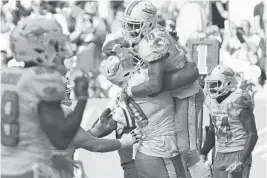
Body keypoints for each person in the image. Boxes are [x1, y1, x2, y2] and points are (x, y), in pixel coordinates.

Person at [102, 0, 210, 177]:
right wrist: (120, 50)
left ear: (147, 24)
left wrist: (131, 91)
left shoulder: (151, 44)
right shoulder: (139, 39)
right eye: (128, 24)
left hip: (185, 93)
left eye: (133, 25)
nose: (129, 29)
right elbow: (107, 47)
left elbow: (155, 85)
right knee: (176, 146)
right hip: (169, 95)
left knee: (185, 147)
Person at [1, 17, 89, 178]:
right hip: (28, 170)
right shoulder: (42, 81)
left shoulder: (5, 74)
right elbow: (61, 139)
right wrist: (82, 98)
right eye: (53, 44)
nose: (58, 50)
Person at [102, 55, 185, 178]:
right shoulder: (139, 81)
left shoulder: (128, 90)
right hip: (161, 153)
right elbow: (183, 76)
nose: (135, 62)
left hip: (149, 152)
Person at [201, 65, 258, 178]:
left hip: (238, 152)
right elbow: (212, 132)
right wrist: (203, 153)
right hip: (220, 153)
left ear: (227, 83)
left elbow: (253, 134)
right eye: (209, 84)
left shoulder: (238, 100)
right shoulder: (212, 102)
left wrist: (241, 161)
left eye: (215, 83)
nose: (211, 87)